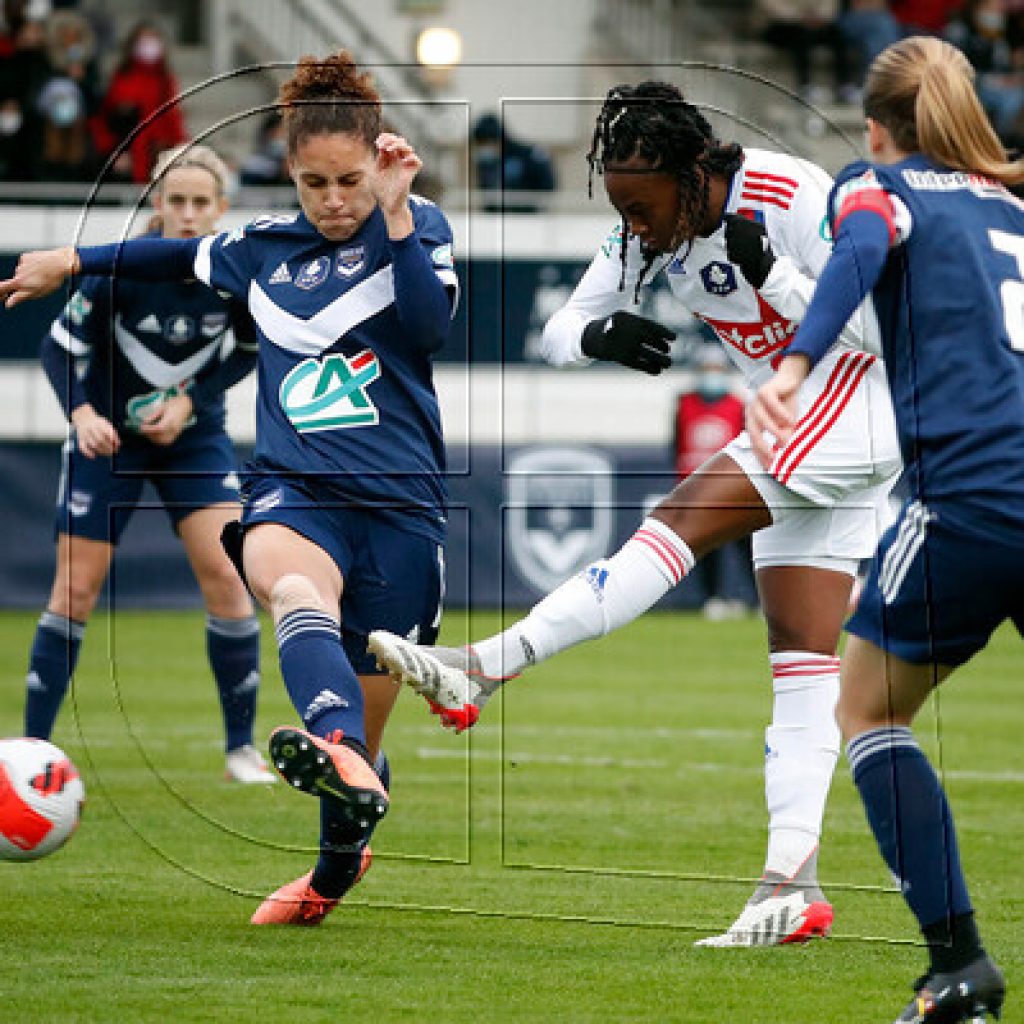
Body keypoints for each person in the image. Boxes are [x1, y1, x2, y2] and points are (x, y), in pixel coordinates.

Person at [369, 81, 902, 946]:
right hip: (805, 418)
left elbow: (880, 330)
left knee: (675, 523)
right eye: (620, 208)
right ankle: (790, 884)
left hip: (857, 399)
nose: (635, 228)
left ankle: (485, 665)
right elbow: (559, 329)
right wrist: (597, 338)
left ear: (692, 175)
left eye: (643, 208)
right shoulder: (643, 228)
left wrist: (777, 273)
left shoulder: (796, 195)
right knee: (802, 663)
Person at [0, 51, 457, 925]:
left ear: (380, 164)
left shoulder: (418, 223)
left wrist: (395, 216)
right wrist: (70, 258)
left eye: (350, 181)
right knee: (288, 587)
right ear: (289, 174)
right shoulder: (256, 251)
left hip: (402, 504)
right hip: (296, 488)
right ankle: (337, 750)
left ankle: (330, 870)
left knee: (367, 746)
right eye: (315, 182)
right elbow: (168, 257)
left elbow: (427, 328)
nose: (333, 199)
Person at [748, 35, 1021, 1022]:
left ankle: (958, 966)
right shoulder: (1012, 205)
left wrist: (792, 365)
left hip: (972, 499)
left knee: (866, 709)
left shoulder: (879, 183)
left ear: (874, 126)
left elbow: (860, 242)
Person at [17, 142, 272, 785]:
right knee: (74, 589)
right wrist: (81, 415)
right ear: (156, 203)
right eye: (175, 200)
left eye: (200, 203)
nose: (187, 214)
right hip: (107, 441)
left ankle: (239, 750)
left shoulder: (234, 273)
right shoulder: (119, 270)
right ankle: (29, 753)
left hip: (195, 440)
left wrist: (192, 402)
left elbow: (249, 353)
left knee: (228, 575)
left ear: (221, 209)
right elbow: (56, 351)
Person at [672, 345, 755, 619]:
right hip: (697, 488)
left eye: (716, 369)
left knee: (747, 546)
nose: (711, 375)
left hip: (732, 487)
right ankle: (713, 597)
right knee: (706, 548)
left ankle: (758, 600)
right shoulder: (684, 403)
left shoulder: (737, 404)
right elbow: (678, 447)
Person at [90, 20, 187, 183]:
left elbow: (173, 118)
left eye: (152, 39)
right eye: (144, 40)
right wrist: (114, 151)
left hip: (157, 152)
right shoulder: (122, 77)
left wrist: (179, 147)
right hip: (127, 157)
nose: (149, 45)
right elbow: (108, 118)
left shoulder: (165, 80)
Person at [472, 112, 557, 213]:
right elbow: (486, 192)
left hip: (527, 217)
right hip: (494, 218)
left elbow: (548, 186)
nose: (485, 148)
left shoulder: (529, 155)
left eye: (487, 142)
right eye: (480, 144)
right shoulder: (486, 162)